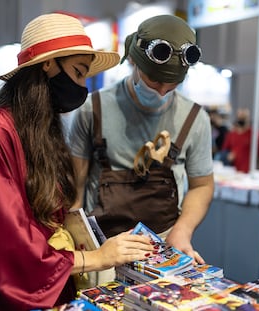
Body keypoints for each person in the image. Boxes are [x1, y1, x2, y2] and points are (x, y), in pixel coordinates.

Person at [0, 13, 155, 310]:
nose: (82, 86)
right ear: (48, 64)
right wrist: (95, 258)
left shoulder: (41, 130)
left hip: (55, 290)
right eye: (78, 72)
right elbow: (8, 245)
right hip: (19, 298)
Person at [69, 15, 214, 265]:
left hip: (164, 247)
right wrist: (80, 250)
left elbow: (202, 185)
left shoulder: (195, 119)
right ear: (133, 61)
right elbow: (75, 188)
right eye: (154, 81)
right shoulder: (93, 109)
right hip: (102, 247)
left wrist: (183, 231)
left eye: (172, 85)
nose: (160, 91)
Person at [221, 108, 259, 173]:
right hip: (234, 172)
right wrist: (228, 156)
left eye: (243, 118)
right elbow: (224, 150)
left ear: (248, 118)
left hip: (249, 172)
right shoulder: (231, 134)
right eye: (240, 118)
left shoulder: (255, 134)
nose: (241, 120)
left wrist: (257, 170)